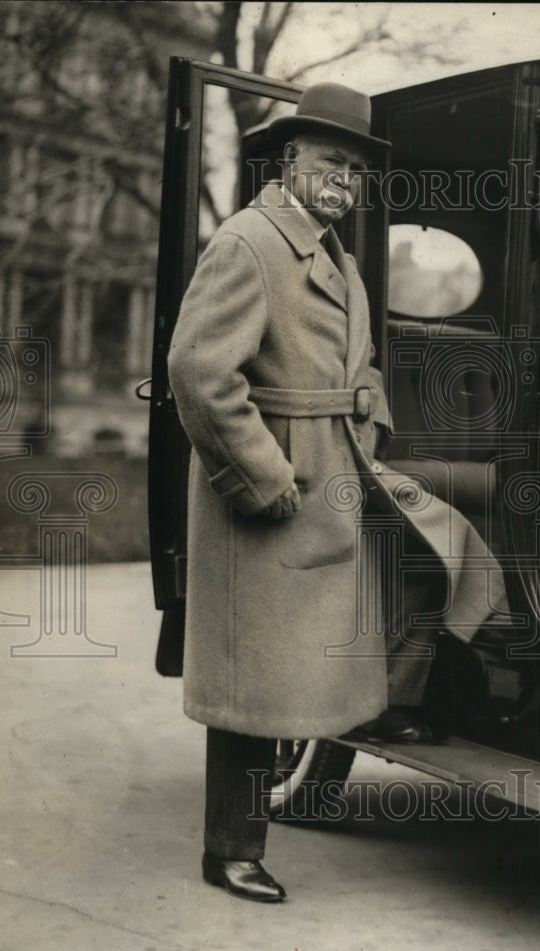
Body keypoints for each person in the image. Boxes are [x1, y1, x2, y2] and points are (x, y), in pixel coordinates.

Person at [168, 82, 502, 903]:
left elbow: (364, 367)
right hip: (272, 483)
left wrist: (373, 423)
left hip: (339, 468)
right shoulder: (250, 242)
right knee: (255, 679)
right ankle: (230, 848)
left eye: (355, 168)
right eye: (330, 161)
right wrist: (261, 478)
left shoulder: (338, 256)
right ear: (290, 161)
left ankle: (376, 710)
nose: (344, 179)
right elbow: (199, 372)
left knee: (443, 558)